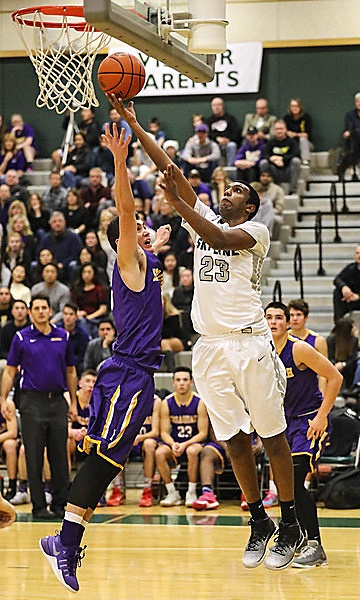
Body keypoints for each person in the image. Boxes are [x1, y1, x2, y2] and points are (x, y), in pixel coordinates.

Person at [112, 96, 303, 570]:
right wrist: (135, 125)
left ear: (250, 203)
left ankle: (292, 521)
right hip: (210, 347)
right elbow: (171, 168)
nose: (228, 190)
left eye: (237, 188)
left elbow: (215, 237)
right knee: (233, 439)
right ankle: (259, 520)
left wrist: (177, 204)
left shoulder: (254, 231)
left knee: (271, 434)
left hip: (250, 343)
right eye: (227, 187)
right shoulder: (205, 218)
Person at [38, 121, 171, 593]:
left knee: (111, 461)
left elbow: (162, 229)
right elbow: (126, 209)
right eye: (139, 231)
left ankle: (65, 541)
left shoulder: (150, 265)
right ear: (125, 243)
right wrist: (120, 158)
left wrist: (167, 221)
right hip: (128, 372)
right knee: (101, 460)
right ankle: (64, 544)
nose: (146, 231)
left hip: (138, 374)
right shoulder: (130, 261)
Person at [265, 302, 342, 568]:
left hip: (308, 422)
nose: (273, 321)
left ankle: (315, 545)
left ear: (289, 323)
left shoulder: (299, 348)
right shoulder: (261, 352)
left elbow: (335, 377)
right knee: (284, 485)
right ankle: (295, 536)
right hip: (280, 426)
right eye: (268, 317)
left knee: (296, 482)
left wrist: (321, 416)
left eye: (279, 317)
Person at [1, 293, 77, 519]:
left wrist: (72, 402)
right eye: (37, 308)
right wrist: (3, 398)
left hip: (58, 402)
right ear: (31, 312)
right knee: (33, 456)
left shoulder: (62, 336)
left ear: (50, 310)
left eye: (45, 307)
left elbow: (71, 371)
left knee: (59, 457)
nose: (41, 311)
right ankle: (38, 507)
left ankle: (61, 504)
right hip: (31, 401)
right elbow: (10, 370)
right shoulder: (21, 338)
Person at [156, 366, 208, 507]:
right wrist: (173, 444)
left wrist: (185, 444)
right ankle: (172, 492)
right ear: (173, 383)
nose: (181, 383)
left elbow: (203, 433)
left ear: (191, 382)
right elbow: (164, 433)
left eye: (185, 380)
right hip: (175, 444)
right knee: (159, 453)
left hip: (194, 443)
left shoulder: (200, 402)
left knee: (191, 451)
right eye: (178, 380)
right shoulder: (167, 402)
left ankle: (191, 492)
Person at [37, 211, 83, 283]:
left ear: (64, 222)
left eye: (60, 221)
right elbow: (40, 254)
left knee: (73, 265)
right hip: (50, 267)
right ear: (51, 224)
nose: (57, 224)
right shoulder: (45, 238)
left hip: (67, 267)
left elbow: (76, 255)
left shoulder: (74, 237)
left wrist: (63, 264)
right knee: (34, 265)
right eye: (54, 222)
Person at [259, 120, 301, 195]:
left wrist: (282, 159)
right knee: (263, 163)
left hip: (288, 170)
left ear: (285, 130)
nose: (279, 131)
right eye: (277, 129)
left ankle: (293, 190)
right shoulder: (270, 142)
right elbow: (264, 155)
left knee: (296, 161)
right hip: (273, 170)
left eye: (281, 128)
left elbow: (296, 154)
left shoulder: (292, 142)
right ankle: (266, 189)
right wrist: (273, 159)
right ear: (274, 130)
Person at [67, 369, 97, 471]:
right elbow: (65, 429)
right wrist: (75, 433)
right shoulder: (70, 399)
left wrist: (88, 433)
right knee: (67, 441)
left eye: (94, 382)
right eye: (87, 381)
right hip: (74, 441)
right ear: (80, 383)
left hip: (91, 441)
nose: (91, 385)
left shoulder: (100, 402)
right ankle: (65, 483)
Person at [70, 262, 109, 337]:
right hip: (81, 317)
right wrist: (78, 313)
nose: (86, 275)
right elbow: (74, 306)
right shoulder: (76, 288)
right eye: (84, 272)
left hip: (96, 318)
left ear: (94, 274)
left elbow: (103, 309)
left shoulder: (100, 289)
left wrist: (89, 317)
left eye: (89, 272)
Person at [206, 97, 242, 167]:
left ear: (222, 106)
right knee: (212, 146)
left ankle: (230, 169)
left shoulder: (230, 119)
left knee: (232, 145)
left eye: (218, 105)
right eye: (214, 105)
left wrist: (228, 140)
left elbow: (237, 133)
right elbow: (207, 134)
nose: (216, 107)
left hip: (228, 143)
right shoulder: (209, 121)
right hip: (215, 144)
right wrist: (217, 138)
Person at [56, 302, 90, 376]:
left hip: (75, 366)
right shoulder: (55, 331)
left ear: (76, 316)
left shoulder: (82, 335)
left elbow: (82, 356)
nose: (68, 317)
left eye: (71, 314)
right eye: (65, 314)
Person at [283, 98, 313, 165]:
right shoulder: (286, 118)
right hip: (292, 143)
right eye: (292, 106)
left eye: (296, 106)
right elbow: (285, 131)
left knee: (303, 139)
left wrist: (295, 134)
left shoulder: (306, 117)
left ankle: (305, 160)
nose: (294, 108)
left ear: (300, 107)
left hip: (306, 144)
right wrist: (288, 133)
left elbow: (306, 134)